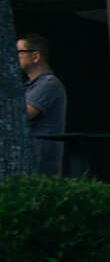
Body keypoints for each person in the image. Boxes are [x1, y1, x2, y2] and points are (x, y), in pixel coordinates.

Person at [18, 33, 66, 178]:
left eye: (19, 52)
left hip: (41, 164)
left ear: (35, 56)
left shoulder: (48, 84)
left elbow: (22, 115)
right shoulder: (30, 85)